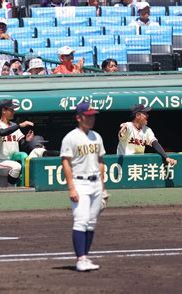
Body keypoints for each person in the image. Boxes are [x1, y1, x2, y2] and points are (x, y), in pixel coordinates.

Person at [60, 101, 106, 272]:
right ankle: (80, 259)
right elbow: (66, 162)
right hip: (80, 182)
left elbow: (100, 161)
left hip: (95, 184)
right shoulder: (71, 137)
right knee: (81, 221)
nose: (91, 118)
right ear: (78, 118)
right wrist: (71, 187)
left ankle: (85, 257)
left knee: (91, 222)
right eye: (88, 115)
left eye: (93, 115)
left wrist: (103, 187)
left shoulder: (97, 136)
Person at [0, 99, 34, 187]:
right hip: (0, 161)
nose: (13, 112)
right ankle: (11, 189)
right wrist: (20, 125)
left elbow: (22, 144)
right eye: (11, 110)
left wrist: (27, 140)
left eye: (13, 110)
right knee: (16, 167)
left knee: (2, 189)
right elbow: (2, 132)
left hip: (11, 161)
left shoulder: (13, 125)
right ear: (3, 110)